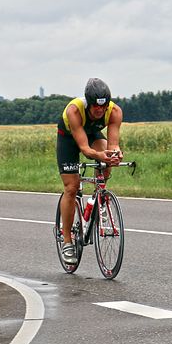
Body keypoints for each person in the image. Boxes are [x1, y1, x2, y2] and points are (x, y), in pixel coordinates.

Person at [56, 78, 123, 264]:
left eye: (104, 107)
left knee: (107, 155)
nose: (100, 111)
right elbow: (85, 150)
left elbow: (113, 144)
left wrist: (115, 154)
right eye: (96, 107)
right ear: (88, 104)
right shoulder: (74, 110)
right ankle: (67, 240)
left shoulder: (115, 112)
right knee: (71, 187)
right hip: (69, 139)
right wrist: (100, 155)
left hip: (92, 135)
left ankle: (99, 198)